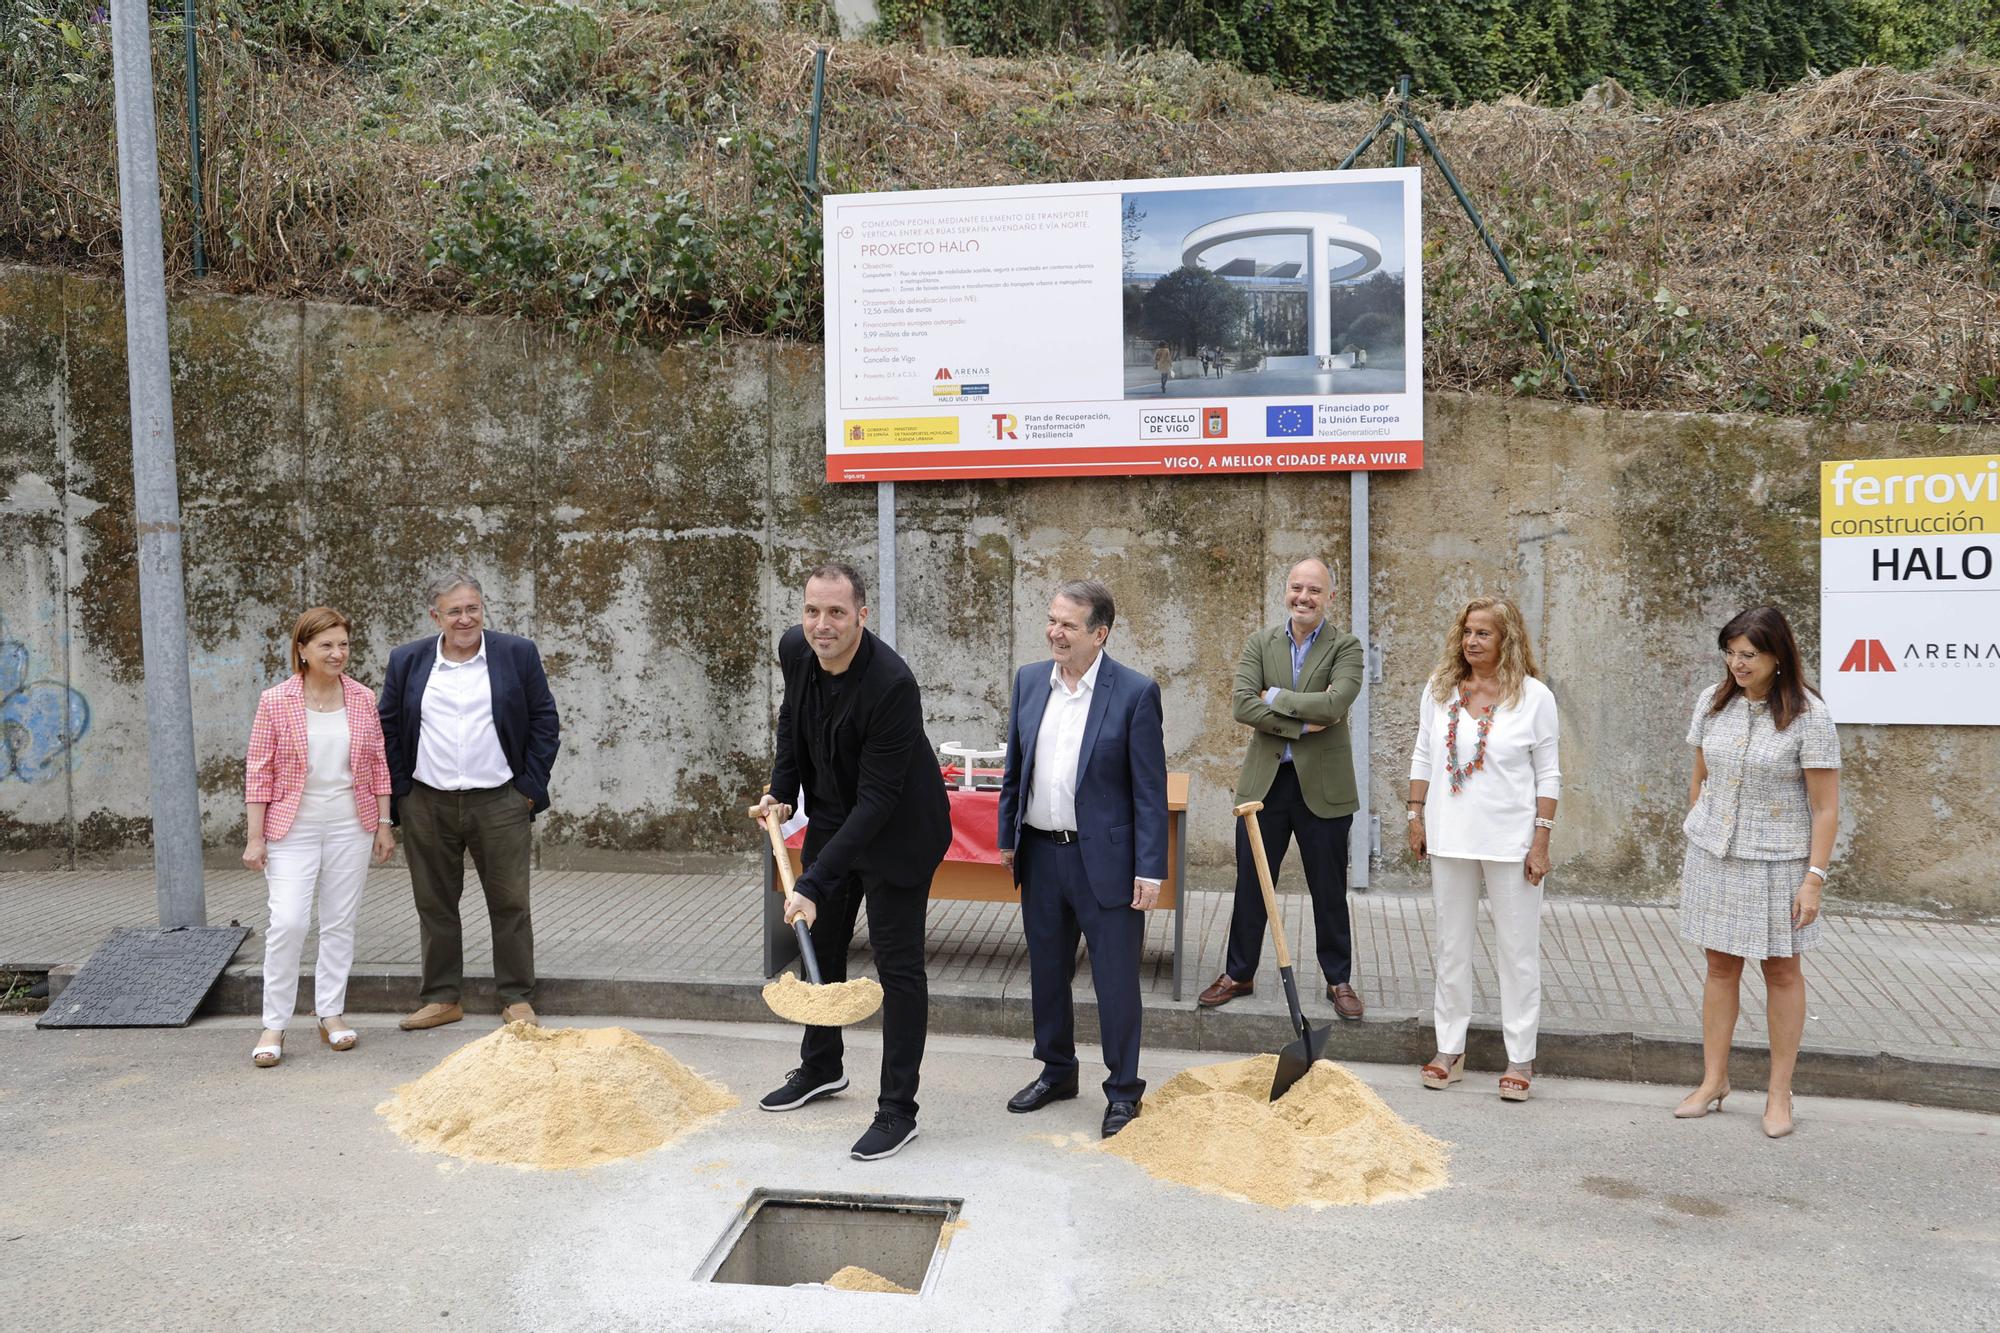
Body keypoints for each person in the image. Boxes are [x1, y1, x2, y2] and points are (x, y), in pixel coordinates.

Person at [751, 563, 951, 1162]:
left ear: (862, 615)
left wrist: (812, 880)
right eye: (813, 611)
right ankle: (822, 1067)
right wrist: (781, 789)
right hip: (836, 816)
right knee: (825, 947)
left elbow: (880, 800)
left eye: (836, 612)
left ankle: (898, 1110)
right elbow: (793, 723)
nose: (822, 625)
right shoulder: (797, 650)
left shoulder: (891, 684)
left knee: (899, 969)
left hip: (897, 833)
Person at [997, 580, 1168, 1138]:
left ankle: (1123, 1091)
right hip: (1042, 855)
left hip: (1109, 865)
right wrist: (1007, 837)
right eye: (1052, 620)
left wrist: (1150, 869)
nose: (1055, 632)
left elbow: (1149, 790)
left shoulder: (1135, 693)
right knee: (1047, 974)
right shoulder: (1028, 682)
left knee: (1116, 982)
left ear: (1101, 633)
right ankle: (1057, 1071)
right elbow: (1015, 770)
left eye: (1068, 625)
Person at [1673, 606, 1839, 1139]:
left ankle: (1778, 1092)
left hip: (1778, 863)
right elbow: (1700, 776)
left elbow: (1825, 808)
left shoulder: (1809, 715)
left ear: (1777, 656)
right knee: (1720, 967)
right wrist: (1703, 825)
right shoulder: (1712, 702)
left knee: (1782, 972)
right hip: (1714, 856)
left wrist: (1813, 878)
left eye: (1749, 655)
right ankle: (1714, 1081)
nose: (1737, 664)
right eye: (1731, 652)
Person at [379, 572, 559, 1031]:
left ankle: (516, 997)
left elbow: (544, 721)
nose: (465, 618)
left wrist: (528, 791)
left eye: (473, 608)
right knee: (434, 903)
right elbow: (389, 728)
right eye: (454, 610)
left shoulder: (516, 654)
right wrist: (403, 792)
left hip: (500, 801)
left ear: (483, 609)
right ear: (435, 615)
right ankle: (442, 998)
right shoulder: (408, 660)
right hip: (427, 801)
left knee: (511, 902)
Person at [1407, 596, 1560, 1102]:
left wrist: (1541, 839)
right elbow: (1424, 752)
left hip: (1511, 841)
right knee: (1451, 948)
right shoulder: (1441, 689)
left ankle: (1520, 1057)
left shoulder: (1534, 697)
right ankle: (1449, 1049)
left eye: (1484, 634)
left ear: (1507, 639)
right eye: (1467, 632)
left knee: (1517, 953)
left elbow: (1549, 774)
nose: (1472, 642)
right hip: (1449, 835)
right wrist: (1415, 814)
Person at [1201, 558, 1367, 1018]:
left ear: (1330, 597)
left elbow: (1336, 704)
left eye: (1314, 590)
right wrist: (1302, 723)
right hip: (1266, 784)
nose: (1304, 598)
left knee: (1328, 888)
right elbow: (1240, 705)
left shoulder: (1346, 647)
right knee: (1252, 883)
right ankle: (1239, 972)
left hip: (1324, 787)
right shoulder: (1260, 643)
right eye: (1297, 588)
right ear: (1286, 591)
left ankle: (1338, 980)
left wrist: (1273, 697)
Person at [242, 608, 397, 1067]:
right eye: (326, 645)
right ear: (302, 650)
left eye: (344, 644)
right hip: (293, 827)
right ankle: (274, 1023)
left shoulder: (363, 698)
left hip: (352, 824)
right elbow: (258, 772)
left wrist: (385, 824)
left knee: (339, 922)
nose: (337, 653)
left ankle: (330, 1012)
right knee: (288, 922)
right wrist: (255, 838)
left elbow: (377, 765)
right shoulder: (275, 701)